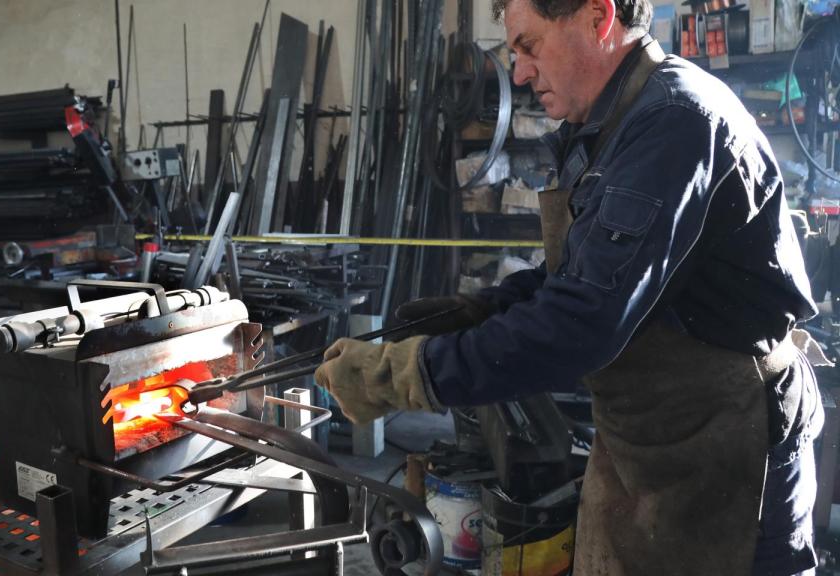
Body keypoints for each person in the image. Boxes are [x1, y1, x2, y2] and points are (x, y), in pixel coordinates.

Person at [313, 0, 828, 573]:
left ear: (597, 18)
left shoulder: (675, 122)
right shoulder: (608, 127)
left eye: (530, 46)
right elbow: (579, 275)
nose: (519, 74)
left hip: (729, 442)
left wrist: (408, 374)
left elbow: (582, 320)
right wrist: (477, 311)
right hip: (656, 436)